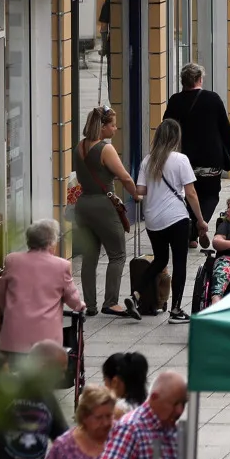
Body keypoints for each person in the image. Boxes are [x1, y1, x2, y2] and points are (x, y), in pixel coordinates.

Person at [73, 106, 138, 315]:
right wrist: (136, 195)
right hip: (103, 204)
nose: (115, 129)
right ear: (102, 126)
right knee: (117, 254)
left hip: (83, 205)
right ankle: (111, 302)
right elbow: (125, 177)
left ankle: (89, 305)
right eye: (112, 125)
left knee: (89, 257)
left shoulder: (79, 147)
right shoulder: (105, 149)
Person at [139, 118, 205, 323]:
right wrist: (201, 220)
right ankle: (176, 309)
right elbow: (191, 193)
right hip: (176, 218)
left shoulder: (147, 161)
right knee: (179, 262)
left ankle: (136, 293)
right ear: (176, 137)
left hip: (152, 220)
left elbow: (140, 191)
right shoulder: (180, 160)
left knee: (160, 259)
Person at [0, 219, 84, 356]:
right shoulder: (61, 265)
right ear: (52, 241)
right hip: (45, 338)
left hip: (14, 335)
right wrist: (80, 306)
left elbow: (1, 293)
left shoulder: (12, 260)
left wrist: (10, 311)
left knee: (13, 373)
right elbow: (72, 298)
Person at [163, 62, 230, 223]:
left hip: (184, 158)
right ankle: (197, 227)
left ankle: (190, 231)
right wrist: (226, 153)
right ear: (199, 79)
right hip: (211, 159)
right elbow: (225, 128)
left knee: (187, 194)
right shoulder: (212, 98)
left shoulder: (175, 101)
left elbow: (167, 127)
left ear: (183, 81)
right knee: (210, 195)